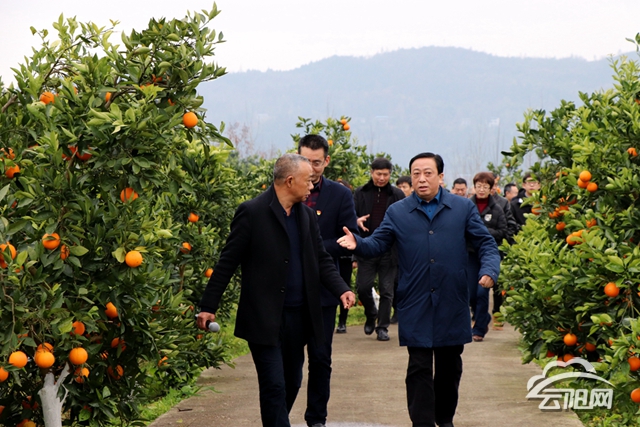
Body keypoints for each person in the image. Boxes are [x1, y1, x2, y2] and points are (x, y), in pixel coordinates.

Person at [337, 152, 500, 427]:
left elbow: (485, 243)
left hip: (451, 299)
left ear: (440, 176)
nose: (421, 179)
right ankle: (422, 423)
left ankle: (444, 420)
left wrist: (489, 270)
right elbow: (378, 242)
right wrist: (358, 243)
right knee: (419, 367)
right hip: (416, 299)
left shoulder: (462, 208)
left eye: (427, 173)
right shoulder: (398, 211)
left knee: (449, 367)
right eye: (416, 174)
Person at [197, 154, 356, 427]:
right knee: (274, 385)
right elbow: (227, 262)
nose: (311, 186)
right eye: (308, 181)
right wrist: (208, 306)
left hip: (299, 317)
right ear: (290, 181)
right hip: (264, 317)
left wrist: (341, 288)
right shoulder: (252, 212)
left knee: (292, 381)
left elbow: (321, 259)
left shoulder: (306, 216)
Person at [297, 135, 359, 427]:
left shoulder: (339, 195)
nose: (311, 168)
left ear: (327, 161)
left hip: (323, 287)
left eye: (317, 163)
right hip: (289, 288)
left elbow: (346, 238)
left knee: (320, 357)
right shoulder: (286, 188)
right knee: (289, 359)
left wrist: (311, 247)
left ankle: (316, 417)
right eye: (306, 161)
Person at [354, 157, 405, 341]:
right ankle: (371, 314)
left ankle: (382, 327)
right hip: (367, 246)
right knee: (363, 287)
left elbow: (405, 220)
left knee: (387, 290)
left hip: (390, 250)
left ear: (390, 174)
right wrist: (356, 221)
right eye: (378, 174)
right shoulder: (360, 193)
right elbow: (350, 216)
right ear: (371, 172)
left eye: (385, 174)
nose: (382, 178)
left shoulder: (397, 195)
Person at [468, 172, 509, 342]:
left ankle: (478, 329)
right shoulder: (467, 206)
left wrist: (484, 231)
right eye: (479, 186)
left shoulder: (497, 209)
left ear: (491, 189)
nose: (481, 190)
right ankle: (483, 317)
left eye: (485, 187)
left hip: (488, 254)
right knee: (471, 292)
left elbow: (503, 231)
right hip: (470, 254)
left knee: (482, 290)